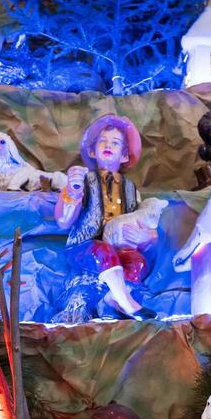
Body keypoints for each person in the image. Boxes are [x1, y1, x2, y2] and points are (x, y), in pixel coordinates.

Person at [54, 114, 162, 321]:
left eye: (115, 142)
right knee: (101, 250)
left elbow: (147, 224)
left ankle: (115, 297)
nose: (108, 145)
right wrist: (73, 192)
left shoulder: (131, 190)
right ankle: (128, 304)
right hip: (84, 247)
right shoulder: (83, 180)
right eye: (102, 141)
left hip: (120, 248)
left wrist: (145, 237)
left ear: (124, 156)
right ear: (93, 151)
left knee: (136, 261)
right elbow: (63, 221)